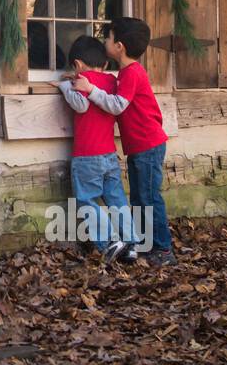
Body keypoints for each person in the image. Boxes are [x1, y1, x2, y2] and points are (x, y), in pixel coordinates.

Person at [73, 17, 176, 266]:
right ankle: (142, 244)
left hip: (148, 144)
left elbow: (118, 105)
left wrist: (90, 90)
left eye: (108, 38)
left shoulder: (131, 73)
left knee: (149, 197)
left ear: (119, 46)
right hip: (139, 146)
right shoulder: (123, 74)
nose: (104, 42)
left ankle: (162, 249)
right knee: (140, 197)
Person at [56, 34, 138, 266]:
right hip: (109, 155)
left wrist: (64, 86)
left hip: (86, 156)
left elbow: (80, 106)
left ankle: (109, 241)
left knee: (87, 200)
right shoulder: (111, 82)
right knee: (117, 199)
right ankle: (131, 243)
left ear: (77, 65)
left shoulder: (82, 80)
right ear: (104, 64)